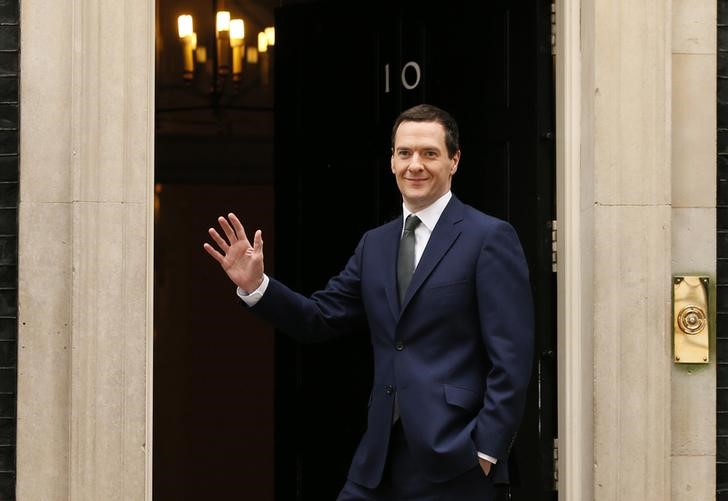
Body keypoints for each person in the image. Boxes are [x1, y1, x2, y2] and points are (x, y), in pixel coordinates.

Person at [204, 104, 534, 500]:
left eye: (429, 153)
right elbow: (318, 318)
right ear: (391, 162)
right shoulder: (375, 244)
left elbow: (512, 359)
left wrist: (485, 450)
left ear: (454, 161)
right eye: (405, 153)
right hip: (378, 460)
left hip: (457, 458)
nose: (416, 165)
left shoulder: (489, 238)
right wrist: (258, 286)